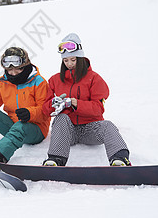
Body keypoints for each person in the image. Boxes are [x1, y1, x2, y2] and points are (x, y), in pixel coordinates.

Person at [42, 33, 131, 167]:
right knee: (60, 118)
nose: (70, 64)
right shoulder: (55, 80)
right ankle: (55, 160)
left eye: (73, 59)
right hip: (67, 132)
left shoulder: (94, 79)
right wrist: (53, 104)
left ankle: (120, 159)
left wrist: (74, 102)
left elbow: (98, 109)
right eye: (66, 61)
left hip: (90, 129)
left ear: (80, 58)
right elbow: (45, 109)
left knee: (108, 125)